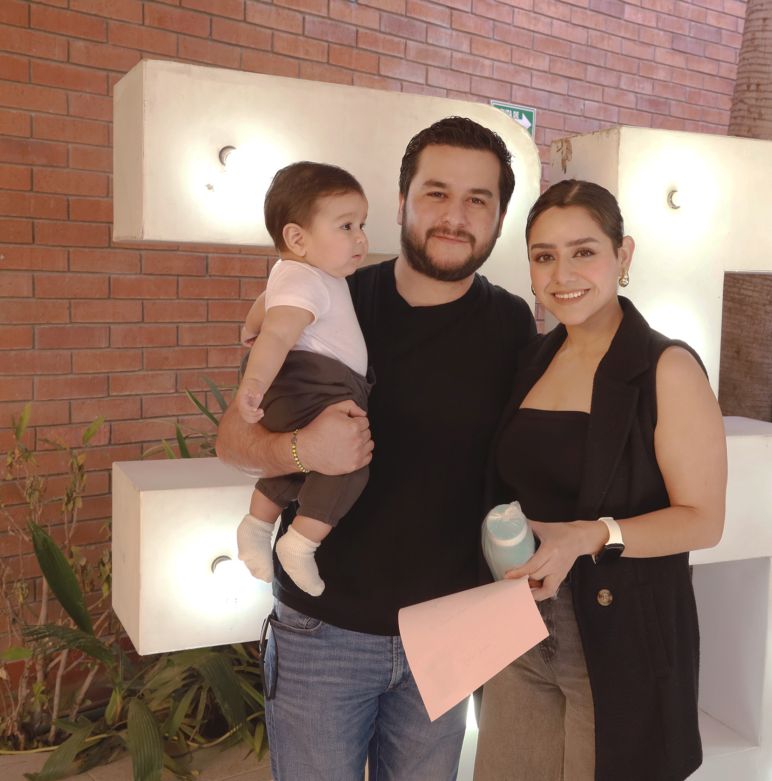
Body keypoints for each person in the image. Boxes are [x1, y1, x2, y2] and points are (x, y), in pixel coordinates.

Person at [216, 117, 537, 781]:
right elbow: (233, 440)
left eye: (477, 200)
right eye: (436, 193)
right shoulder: (331, 297)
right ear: (401, 202)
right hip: (323, 631)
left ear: (500, 218)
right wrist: (303, 449)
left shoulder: (512, 323)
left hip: (449, 629)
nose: (455, 216)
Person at [473, 179, 727, 781]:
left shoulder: (667, 367)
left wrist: (592, 534)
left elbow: (703, 521)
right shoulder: (534, 358)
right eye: (544, 256)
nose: (562, 273)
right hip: (516, 628)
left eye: (583, 251)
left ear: (623, 255)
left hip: (618, 641)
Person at [234, 162, 372, 598]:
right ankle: (300, 543)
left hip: (309, 385)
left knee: (299, 466)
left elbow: (267, 306)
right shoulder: (307, 279)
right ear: (297, 238)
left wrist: (249, 325)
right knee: (347, 464)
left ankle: (257, 525)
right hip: (315, 385)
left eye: (362, 225)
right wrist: (253, 383)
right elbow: (276, 335)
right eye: (346, 226)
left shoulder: (298, 274)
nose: (361, 238)